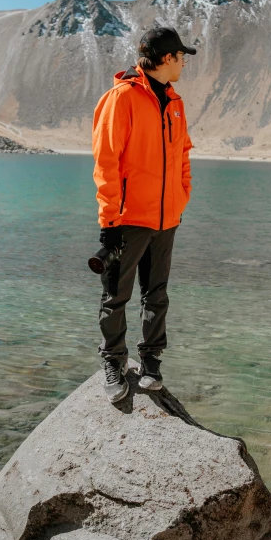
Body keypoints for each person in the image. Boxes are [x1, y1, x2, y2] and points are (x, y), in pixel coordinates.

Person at [92, 26, 196, 403]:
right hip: (130, 219)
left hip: (167, 219)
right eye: (181, 57)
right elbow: (106, 163)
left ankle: (150, 362)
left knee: (157, 295)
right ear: (167, 59)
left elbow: (183, 154)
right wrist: (110, 222)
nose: (184, 63)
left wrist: (181, 197)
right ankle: (113, 363)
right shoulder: (121, 98)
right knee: (115, 296)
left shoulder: (176, 102)